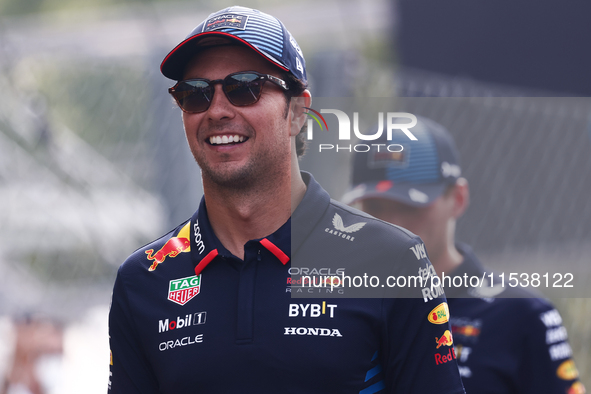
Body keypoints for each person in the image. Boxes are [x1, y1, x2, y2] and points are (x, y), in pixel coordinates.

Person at [108, 6, 465, 393]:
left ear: (297, 112)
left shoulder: (391, 260)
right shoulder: (142, 279)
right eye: (195, 94)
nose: (217, 110)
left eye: (244, 87)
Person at [343, 117, 586, 394]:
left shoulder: (519, 315)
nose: (392, 224)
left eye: (411, 206)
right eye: (374, 207)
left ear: (458, 198)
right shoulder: (339, 303)